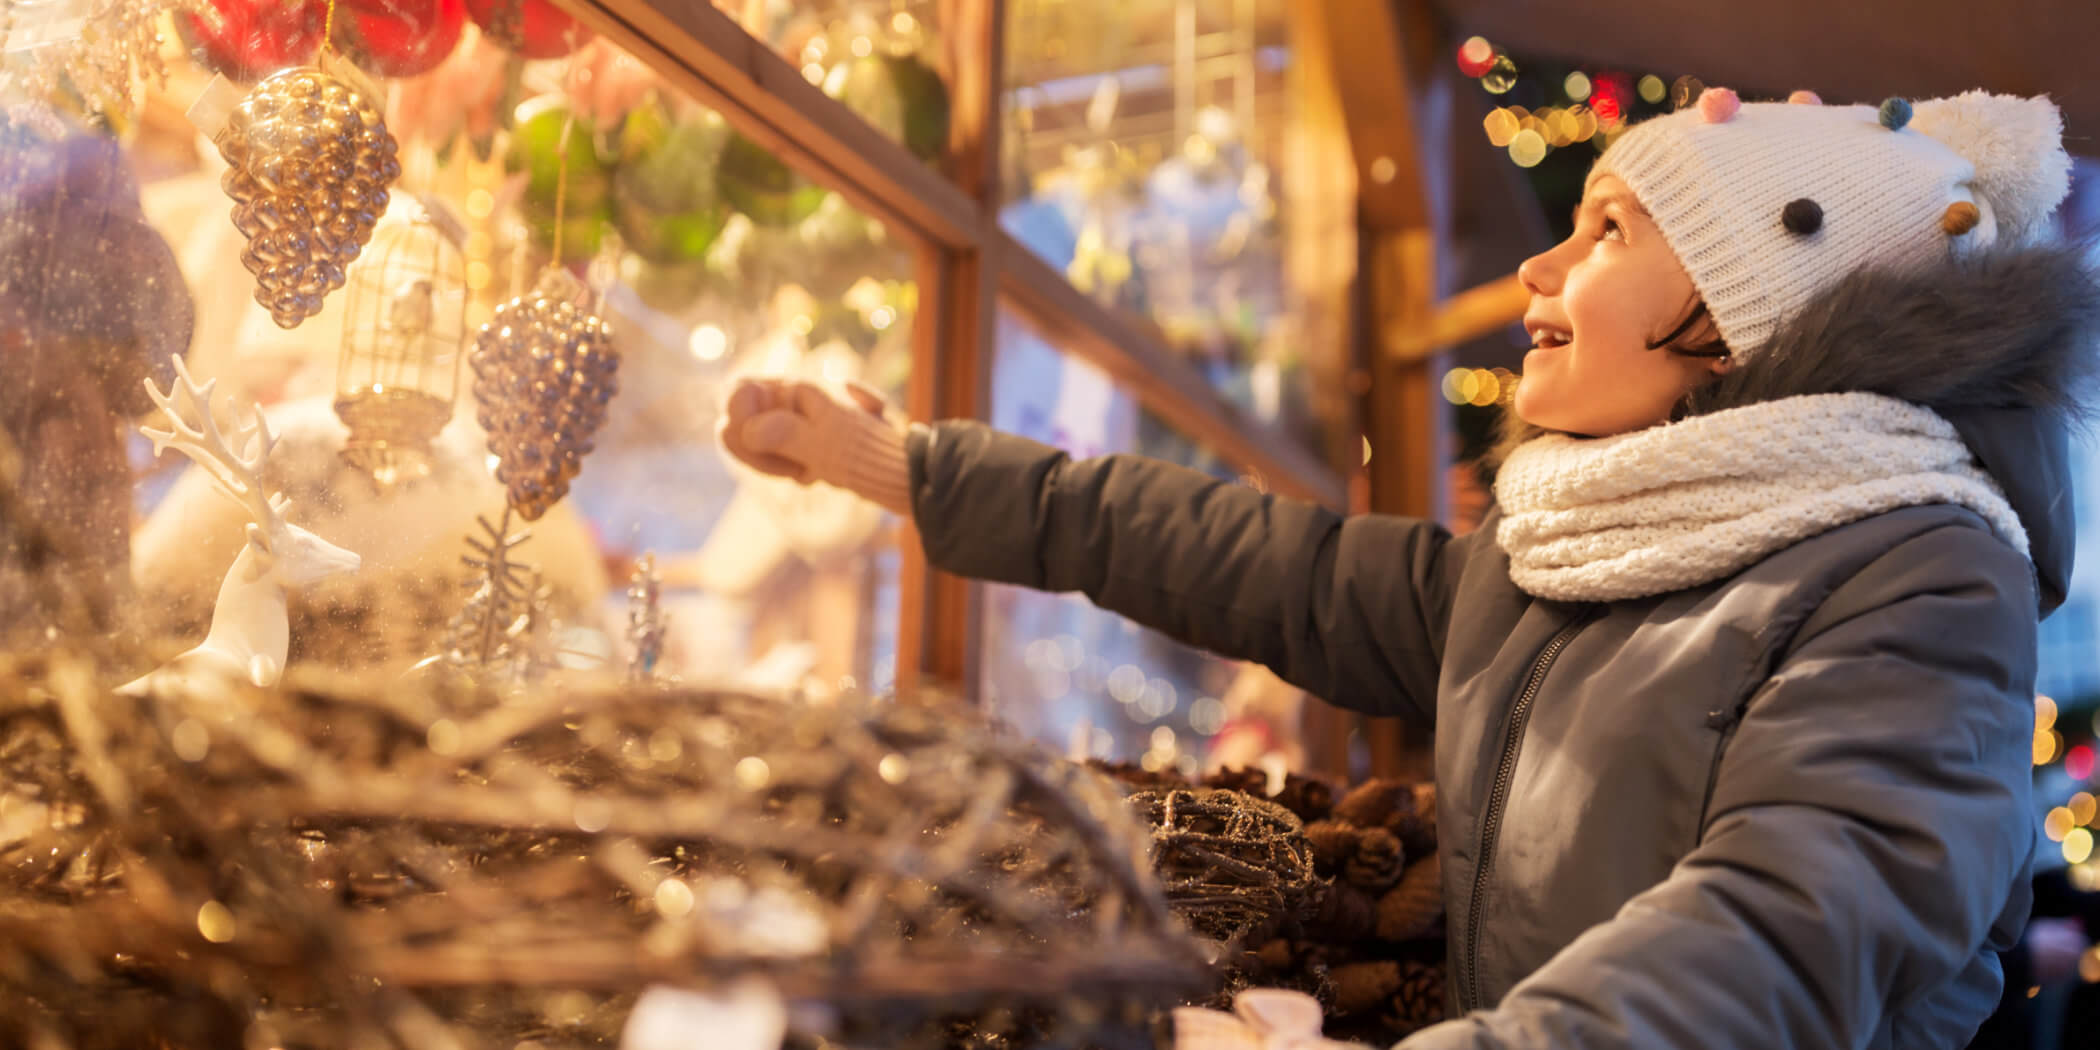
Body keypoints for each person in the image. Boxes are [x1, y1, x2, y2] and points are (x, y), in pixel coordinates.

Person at [719, 88, 2099, 1048]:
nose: (1543, 267)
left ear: (1749, 318)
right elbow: (1272, 565)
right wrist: (910, 469)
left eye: (1610, 231)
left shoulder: (1924, 572)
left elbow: (1787, 938)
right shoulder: (1575, 539)